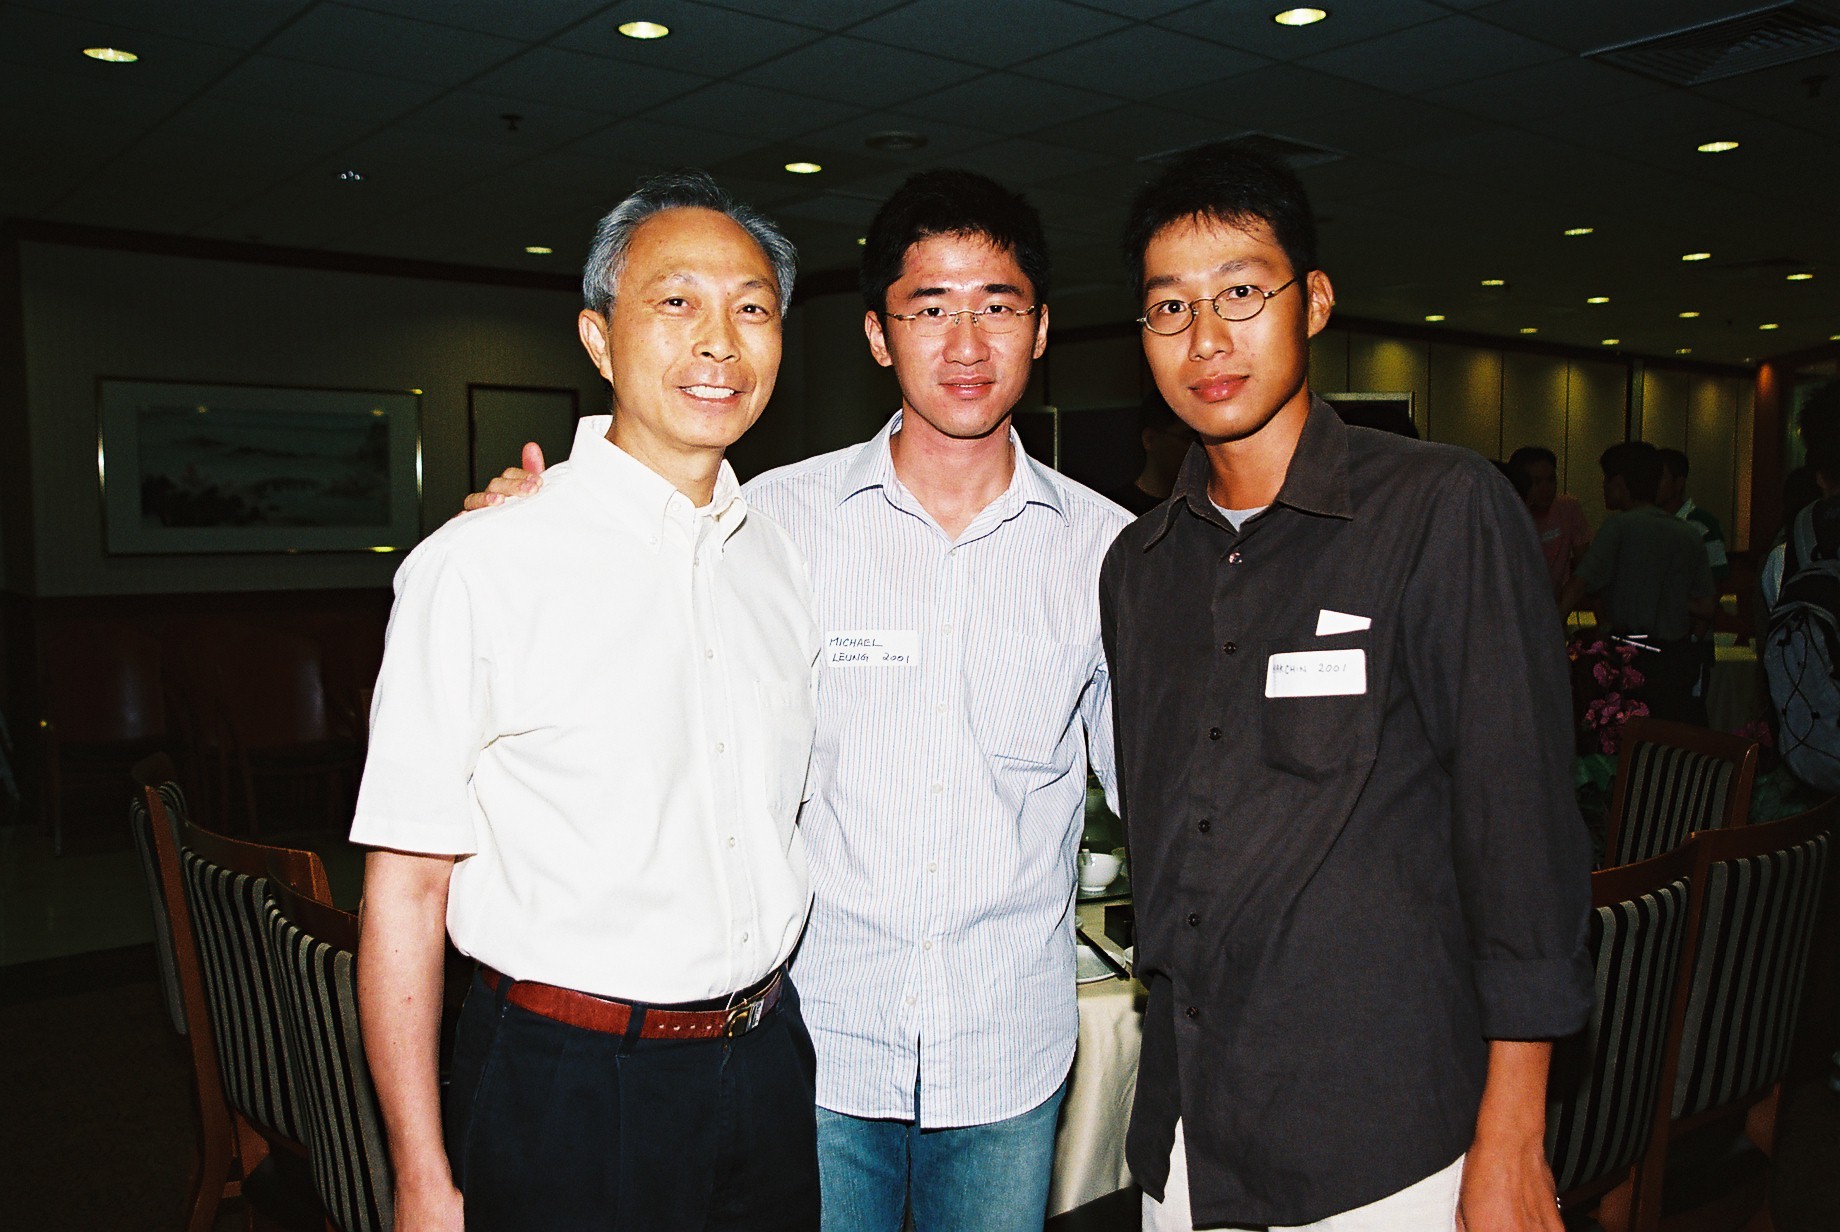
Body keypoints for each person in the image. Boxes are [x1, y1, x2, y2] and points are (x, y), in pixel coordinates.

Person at [469, 169, 1129, 1232]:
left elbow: (1154, 791)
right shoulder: (766, 523)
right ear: (876, 334)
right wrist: (529, 512)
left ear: (1041, 327)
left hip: (1008, 1052)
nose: (965, 343)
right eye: (928, 308)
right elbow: (619, 594)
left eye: (997, 306)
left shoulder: (1111, 553)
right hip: (812, 1045)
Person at [1100, 140, 1592, 1232]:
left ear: (1311, 301)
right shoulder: (1136, 566)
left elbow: (1521, 837)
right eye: (1169, 308)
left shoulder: (1440, 510)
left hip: (1385, 1135)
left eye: (1240, 292)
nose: (1207, 337)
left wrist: (1511, 1134)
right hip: (1189, 1131)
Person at [354, 171, 823, 1232]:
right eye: (676, 302)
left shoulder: (779, 563)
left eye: (752, 307)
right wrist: (419, 1170)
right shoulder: (482, 565)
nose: (720, 341)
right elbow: (405, 889)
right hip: (564, 1081)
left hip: (765, 1063)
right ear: (599, 338)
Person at [1562, 442, 1716, 725]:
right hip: (1674, 656)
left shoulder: (1619, 527)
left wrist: (1553, 624)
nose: (1604, 487)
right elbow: (1707, 606)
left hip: (1628, 655)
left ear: (1619, 483)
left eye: (1606, 480)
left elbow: (1581, 582)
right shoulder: (1687, 534)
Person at [1507, 445, 1591, 604]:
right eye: (1537, 482)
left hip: (1554, 603)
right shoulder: (1510, 513)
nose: (1546, 488)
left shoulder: (1568, 508)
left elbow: (1585, 565)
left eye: (1551, 480)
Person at [1110, 390, 1198, 514]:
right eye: (1187, 438)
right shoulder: (1117, 510)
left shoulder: (1202, 508)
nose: (1196, 448)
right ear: (1149, 439)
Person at [1656, 447, 1730, 587]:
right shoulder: (1646, 520)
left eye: (1660, 478)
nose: (1652, 484)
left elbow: (1716, 580)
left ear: (1678, 483)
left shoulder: (1703, 524)